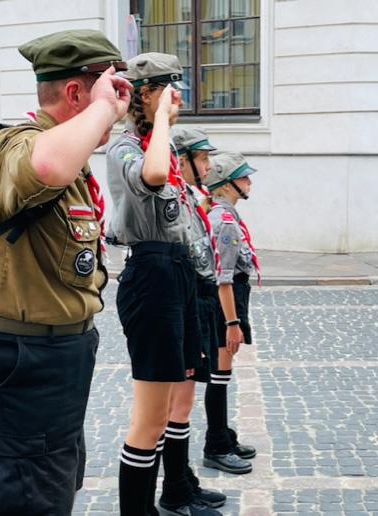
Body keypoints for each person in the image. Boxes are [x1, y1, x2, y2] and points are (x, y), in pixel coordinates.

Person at [0, 29, 131, 515]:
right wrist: (103, 110)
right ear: (76, 93)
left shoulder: (72, 157)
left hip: (55, 363)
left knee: (54, 484)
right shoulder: (18, 145)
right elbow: (44, 168)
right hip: (15, 364)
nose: (119, 104)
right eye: (111, 88)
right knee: (21, 495)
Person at [106, 53, 220, 516]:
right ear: (146, 94)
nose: (178, 99)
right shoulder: (127, 148)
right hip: (152, 277)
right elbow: (152, 178)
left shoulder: (161, 145)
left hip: (179, 273)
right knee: (149, 418)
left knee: (178, 396)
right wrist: (161, 124)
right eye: (171, 90)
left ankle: (176, 489)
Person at [156, 125, 228, 512]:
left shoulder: (190, 197)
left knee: (182, 404)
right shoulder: (173, 197)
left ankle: (183, 481)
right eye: (202, 158)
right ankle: (175, 491)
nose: (209, 165)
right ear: (180, 161)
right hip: (184, 298)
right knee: (176, 406)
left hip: (198, 297)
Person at [202, 152, 260, 475]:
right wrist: (232, 323)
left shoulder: (225, 214)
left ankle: (223, 434)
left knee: (221, 375)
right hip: (225, 302)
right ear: (226, 185)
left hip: (229, 299)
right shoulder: (224, 221)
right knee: (219, 376)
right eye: (243, 177)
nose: (249, 181)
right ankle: (216, 446)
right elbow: (222, 278)